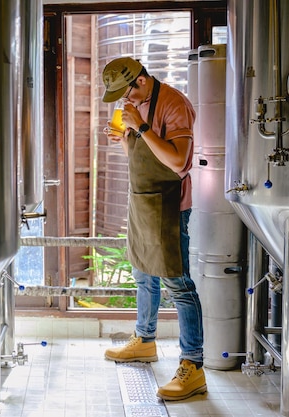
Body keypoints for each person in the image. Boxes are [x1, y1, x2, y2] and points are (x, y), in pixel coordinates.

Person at [101, 57, 206, 401]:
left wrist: (143, 128)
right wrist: (123, 138)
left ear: (142, 81)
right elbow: (145, 155)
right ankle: (145, 341)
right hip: (141, 200)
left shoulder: (175, 104)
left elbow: (177, 162)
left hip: (168, 206)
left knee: (178, 283)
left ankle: (193, 366)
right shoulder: (136, 104)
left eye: (126, 92)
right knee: (142, 272)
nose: (124, 100)